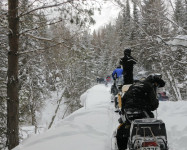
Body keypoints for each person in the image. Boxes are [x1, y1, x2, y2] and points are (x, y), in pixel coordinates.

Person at [116, 74, 165, 150]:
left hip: (128, 113)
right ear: (155, 83)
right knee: (150, 124)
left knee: (127, 127)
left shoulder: (134, 85)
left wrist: (124, 111)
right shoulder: (149, 87)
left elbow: (124, 100)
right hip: (141, 112)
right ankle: (150, 142)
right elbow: (154, 106)